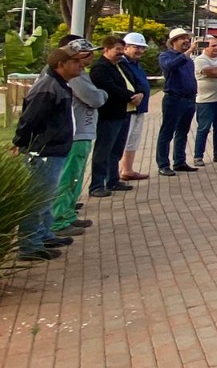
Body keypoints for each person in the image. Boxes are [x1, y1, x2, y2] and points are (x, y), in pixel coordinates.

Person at [10, 47, 84, 261]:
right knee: (38, 198)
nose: (80, 65)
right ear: (61, 64)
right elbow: (29, 120)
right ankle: (30, 245)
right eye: (75, 62)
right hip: (43, 151)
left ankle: (43, 235)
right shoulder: (48, 86)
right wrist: (20, 143)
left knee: (47, 197)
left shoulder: (59, 84)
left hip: (55, 150)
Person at [51, 36, 104, 235]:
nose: (91, 56)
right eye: (86, 53)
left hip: (81, 131)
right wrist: (102, 94)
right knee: (67, 177)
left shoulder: (80, 74)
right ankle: (59, 220)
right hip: (74, 133)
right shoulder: (74, 77)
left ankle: (68, 213)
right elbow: (95, 98)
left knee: (75, 177)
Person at [87, 35, 144, 198]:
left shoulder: (120, 66)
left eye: (122, 49)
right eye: (117, 49)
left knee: (116, 150)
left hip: (124, 112)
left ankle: (112, 180)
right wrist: (130, 96)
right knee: (103, 151)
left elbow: (135, 81)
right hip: (109, 114)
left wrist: (140, 93)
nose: (121, 52)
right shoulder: (100, 68)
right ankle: (97, 185)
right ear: (106, 49)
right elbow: (109, 88)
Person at [155, 27, 199, 177]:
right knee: (167, 133)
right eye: (182, 38)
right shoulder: (166, 56)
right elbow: (170, 66)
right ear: (173, 41)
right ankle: (163, 164)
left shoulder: (189, 60)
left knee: (182, 132)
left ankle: (179, 161)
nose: (186, 41)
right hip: (174, 99)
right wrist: (188, 52)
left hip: (189, 99)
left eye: (187, 38)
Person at [118, 32, 152, 180]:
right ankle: (113, 173)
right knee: (123, 141)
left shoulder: (136, 64)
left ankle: (127, 169)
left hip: (139, 108)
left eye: (142, 48)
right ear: (125, 47)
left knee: (133, 140)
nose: (139, 51)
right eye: (136, 47)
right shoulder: (121, 64)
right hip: (128, 108)